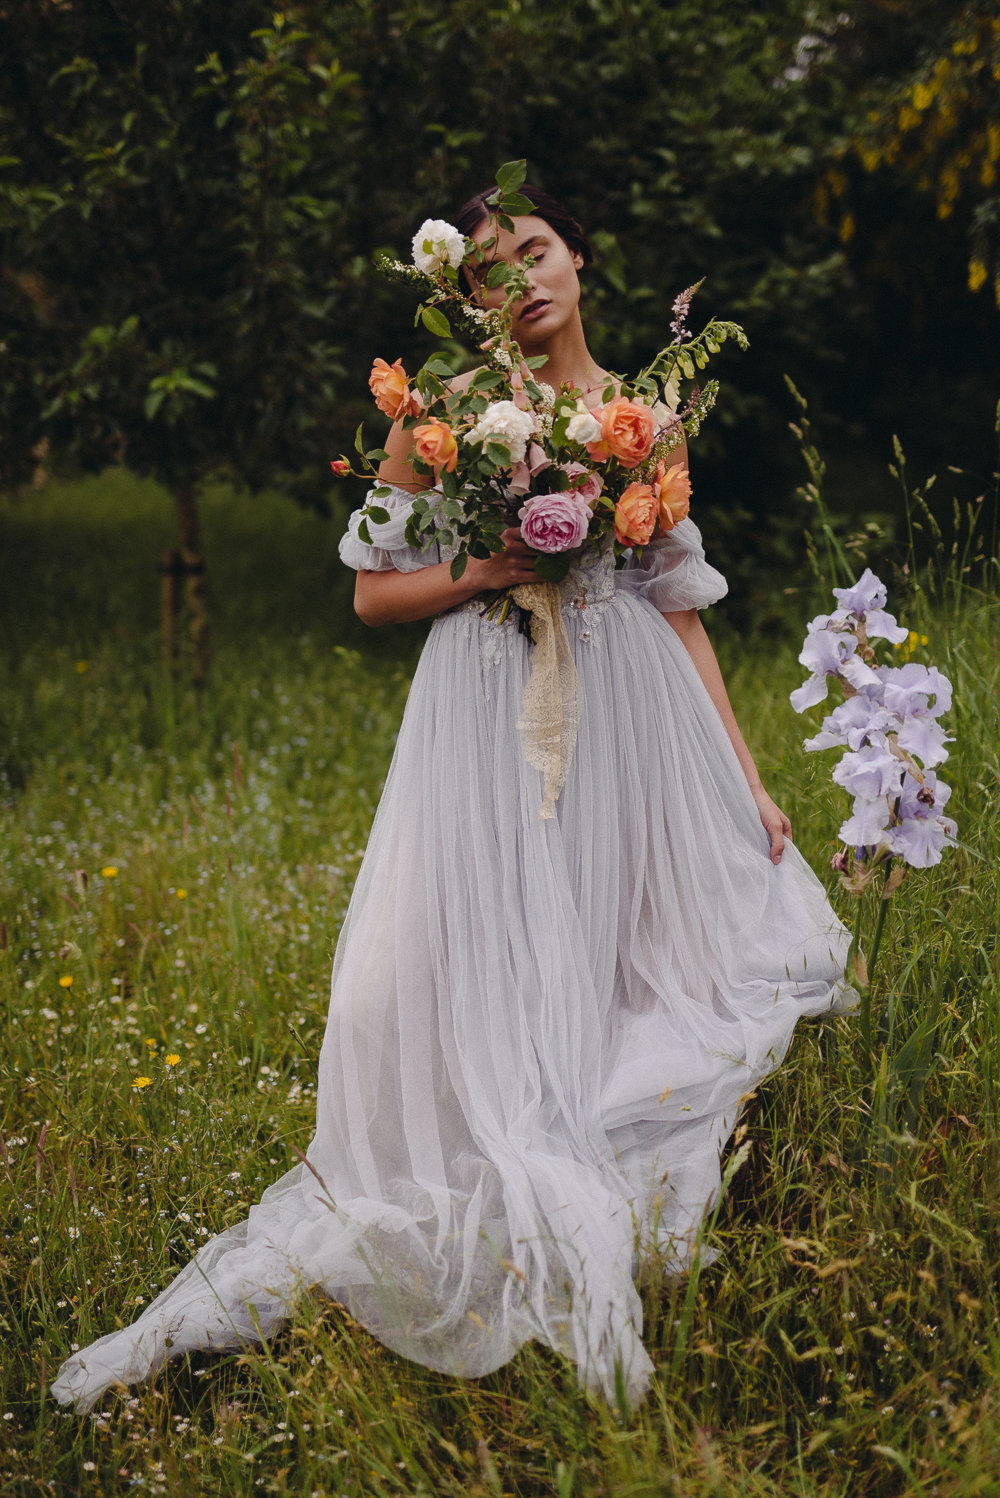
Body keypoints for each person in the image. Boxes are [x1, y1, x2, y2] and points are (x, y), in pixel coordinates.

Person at [51, 185, 855, 1414]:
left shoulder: (640, 415)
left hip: (627, 704)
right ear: (462, 300)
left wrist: (740, 773)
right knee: (422, 956)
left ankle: (598, 1090)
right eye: (491, 274)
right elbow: (372, 595)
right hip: (483, 701)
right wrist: (485, 564)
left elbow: (677, 607)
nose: (523, 282)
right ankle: (463, 1122)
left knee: (622, 930)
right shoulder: (438, 412)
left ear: (578, 256)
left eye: (535, 252)